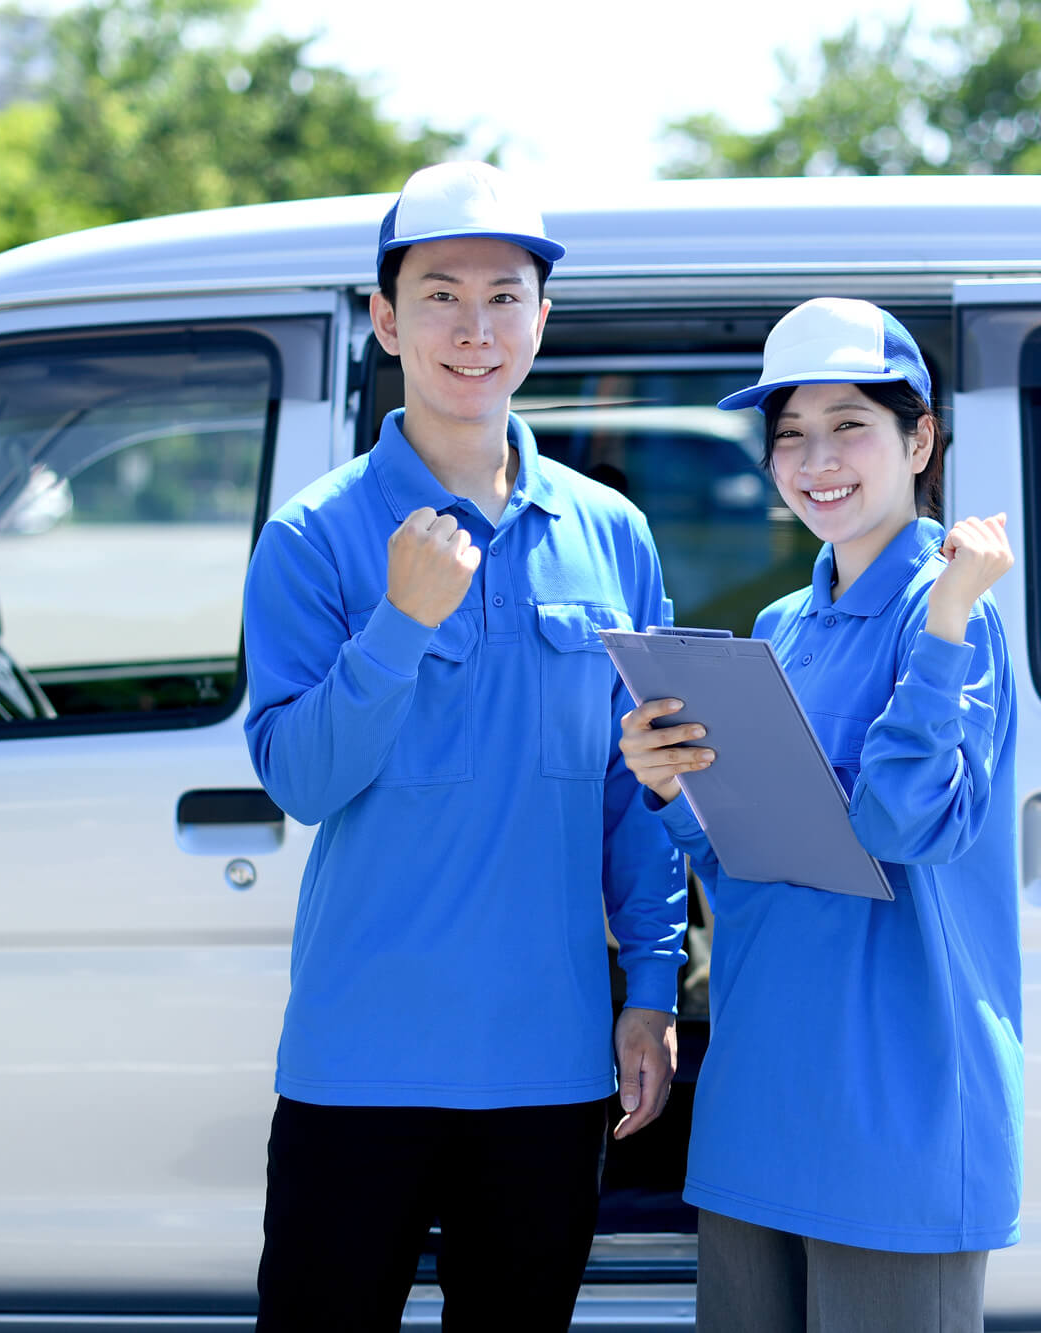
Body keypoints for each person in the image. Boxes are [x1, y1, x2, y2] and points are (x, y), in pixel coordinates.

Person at [241, 161, 687, 1332]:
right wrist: (398, 625)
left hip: (546, 1068)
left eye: (504, 295)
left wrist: (647, 987)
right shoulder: (311, 536)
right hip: (358, 1064)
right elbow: (298, 776)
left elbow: (634, 785)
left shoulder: (612, 534)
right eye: (439, 295)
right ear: (385, 320)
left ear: (543, 320)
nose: (473, 329)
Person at [618, 298, 1022, 1333]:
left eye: (849, 425)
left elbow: (899, 829)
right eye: (790, 434)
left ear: (918, 438)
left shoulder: (955, 618)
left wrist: (938, 622)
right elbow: (757, 857)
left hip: (895, 1103)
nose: (815, 458)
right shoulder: (781, 625)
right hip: (765, 1098)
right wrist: (673, 789)